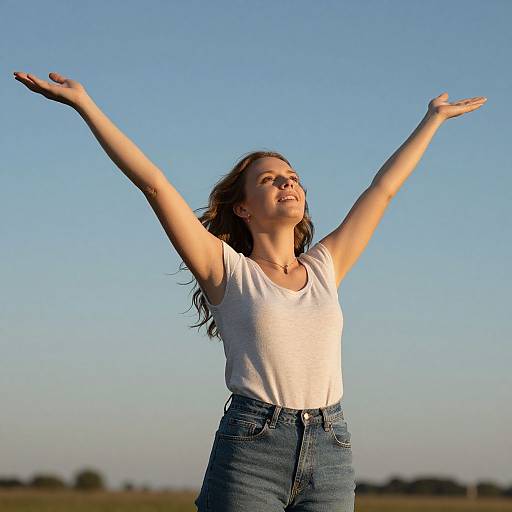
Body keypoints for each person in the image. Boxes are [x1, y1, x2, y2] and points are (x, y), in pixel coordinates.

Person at [13, 70, 487, 511]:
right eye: (270, 179)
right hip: (252, 449)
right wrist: (85, 105)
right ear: (242, 208)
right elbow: (155, 185)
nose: (288, 182)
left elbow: (382, 190)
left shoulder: (325, 265)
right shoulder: (226, 271)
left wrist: (433, 120)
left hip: (332, 447)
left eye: (293, 177)